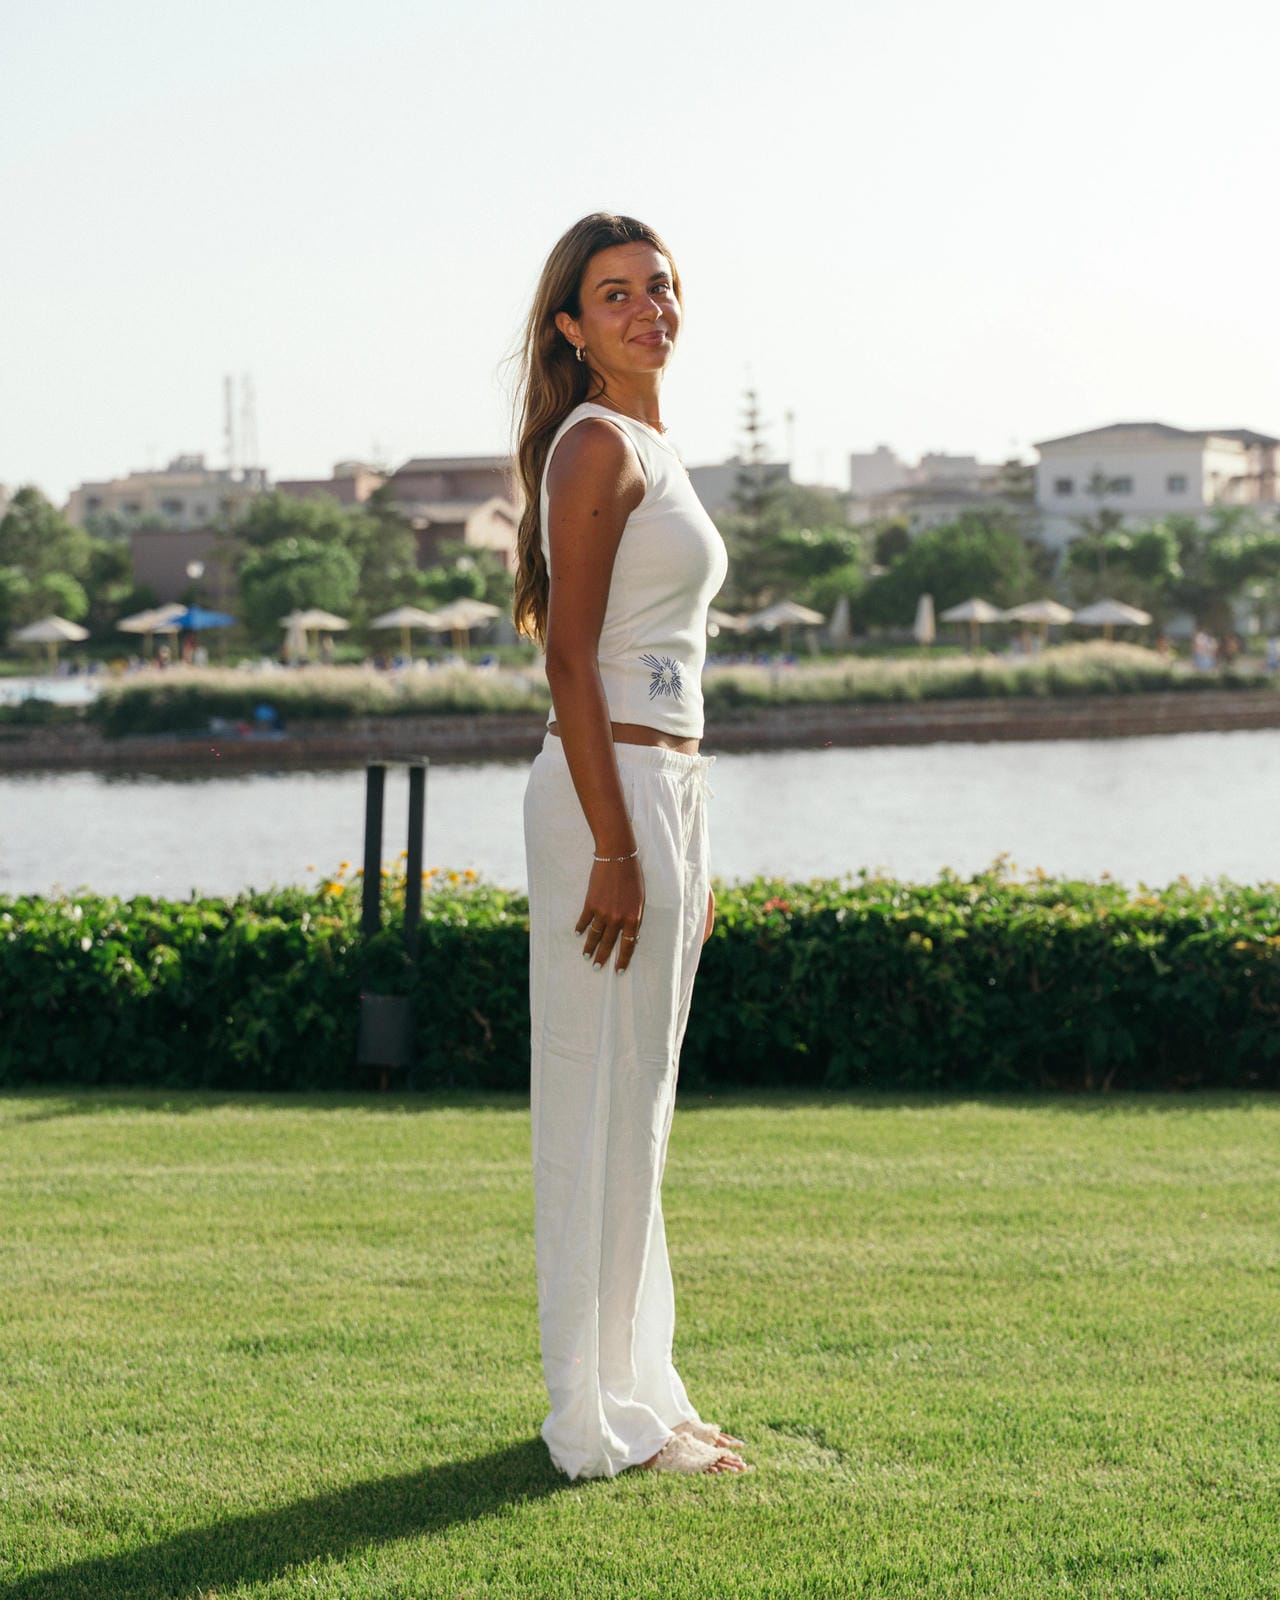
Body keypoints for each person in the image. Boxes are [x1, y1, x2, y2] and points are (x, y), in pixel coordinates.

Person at [512, 214, 746, 1480]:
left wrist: (678, 850)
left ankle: (642, 1385)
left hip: (664, 791)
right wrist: (616, 845)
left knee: (639, 1109)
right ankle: (588, 1416)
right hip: (610, 797)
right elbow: (567, 656)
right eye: (615, 293)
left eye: (658, 286)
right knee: (594, 1103)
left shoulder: (651, 444)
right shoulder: (591, 445)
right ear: (571, 326)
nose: (647, 306)